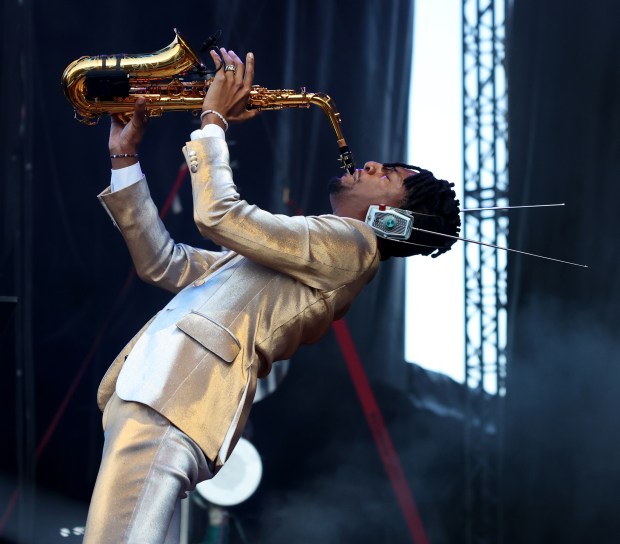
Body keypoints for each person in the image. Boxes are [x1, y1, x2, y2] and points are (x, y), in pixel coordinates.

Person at [83, 48, 460, 543]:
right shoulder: (303, 257)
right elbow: (164, 262)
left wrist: (213, 118)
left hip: (174, 401)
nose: (370, 164)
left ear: (393, 219)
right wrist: (124, 159)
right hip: (161, 397)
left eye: (387, 174)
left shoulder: (353, 246)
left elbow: (218, 214)